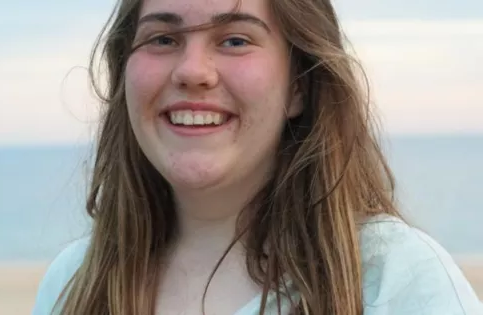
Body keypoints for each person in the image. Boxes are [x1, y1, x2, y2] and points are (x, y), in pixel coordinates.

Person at [32, 0, 483, 314]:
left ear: (299, 86)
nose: (192, 71)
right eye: (163, 38)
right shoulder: (74, 282)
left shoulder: (396, 280)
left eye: (234, 40)